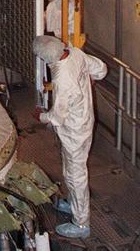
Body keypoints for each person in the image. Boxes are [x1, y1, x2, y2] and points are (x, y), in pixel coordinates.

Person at [32, 33, 107, 239]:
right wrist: (88, 81)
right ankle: (74, 205)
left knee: (76, 176)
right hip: (83, 121)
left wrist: (41, 116)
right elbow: (100, 69)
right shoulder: (75, 53)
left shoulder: (63, 80)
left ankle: (82, 224)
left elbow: (57, 117)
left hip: (74, 131)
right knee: (70, 171)